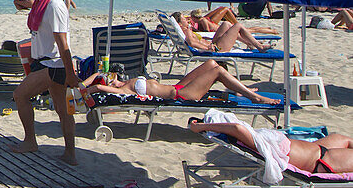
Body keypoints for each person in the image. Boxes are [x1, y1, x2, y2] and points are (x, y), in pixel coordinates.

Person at [9, 0, 79, 165]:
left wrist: (70, 73)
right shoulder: (42, 2)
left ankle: (30, 141)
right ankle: (70, 154)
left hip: (54, 64)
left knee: (20, 95)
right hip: (45, 62)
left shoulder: (54, 5)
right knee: (62, 109)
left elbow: (63, 42)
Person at [188, 118, 353, 175]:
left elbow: (236, 128)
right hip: (320, 160)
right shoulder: (253, 141)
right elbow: (236, 129)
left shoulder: (255, 139)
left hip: (315, 149)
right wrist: (202, 127)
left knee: (340, 138)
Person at [81, 58, 280, 105]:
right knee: (218, 70)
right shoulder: (125, 91)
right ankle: (254, 96)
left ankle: (238, 91)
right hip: (182, 94)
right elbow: (97, 85)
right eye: (111, 83)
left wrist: (102, 77)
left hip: (178, 86)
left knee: (211, 62)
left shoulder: (123, 83)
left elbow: (100, 77)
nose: (113, 81)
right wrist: (84, 90)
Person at [171, 12, 274, 52]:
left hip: (212, 44)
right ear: (180, 24)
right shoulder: (187, 31)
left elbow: (194, 41)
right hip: (215, 48)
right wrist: (207, 47)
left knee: (226, 24)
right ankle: (258, 46)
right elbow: (192, 43)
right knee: (238, 25)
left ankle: (249, 43)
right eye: (184, 19)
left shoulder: (186, 30)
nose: (187, 19)